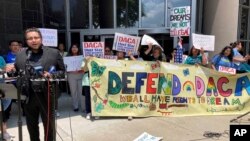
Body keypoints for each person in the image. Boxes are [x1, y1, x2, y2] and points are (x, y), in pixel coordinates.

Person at [5, 27, 65, 141]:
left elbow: (63, 73)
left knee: (49, 128)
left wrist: (52, 75)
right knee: (31, 127)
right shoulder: (21, 55)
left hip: (47, 95)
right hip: (29, 97)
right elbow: (16, 72)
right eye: (30, 38)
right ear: (26, 41)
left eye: (36, 37)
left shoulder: (54, 52)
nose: (34, 40)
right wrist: (10, 70)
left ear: (41, 39)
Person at [67, 44, 84, 112]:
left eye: (76, 47)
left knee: (81, 92)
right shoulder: (67, 57)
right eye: (73, 47)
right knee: (73, 91)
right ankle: (75, 106)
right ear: (71, 49)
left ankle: (84, 107)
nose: (74, 48)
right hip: (71, 75)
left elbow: (85, 66)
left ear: (78, 49)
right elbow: (65, 67)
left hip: (81, 74)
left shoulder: (82, 57)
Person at [0, 56, 12, 140]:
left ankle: (4, 131)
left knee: (2, 110)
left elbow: (4, 70)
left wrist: (7, 70)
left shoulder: (0, 58)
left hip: (1, 84)